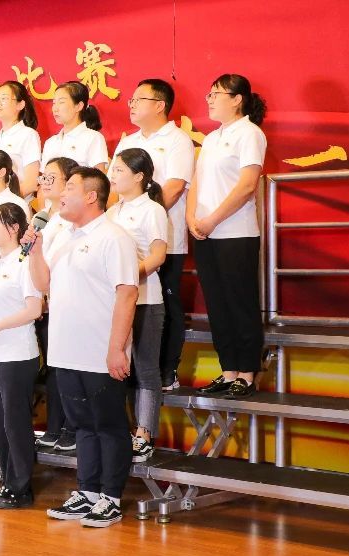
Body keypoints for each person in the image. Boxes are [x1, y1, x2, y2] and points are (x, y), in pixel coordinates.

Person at [28, 168, 138, 528]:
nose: (60, 194)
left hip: (99, 350)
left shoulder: (113, 237)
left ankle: (111, 497)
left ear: (91, 196)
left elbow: (127, 293)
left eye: (69, 187)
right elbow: (43, 284)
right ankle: (88, 491)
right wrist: (36, 249)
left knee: (109, 425)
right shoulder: (63, 236)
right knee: (82, 426)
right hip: (65, 349)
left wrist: (117, 347)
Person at [187, 74, 268, 398]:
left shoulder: (249, 133)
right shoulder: (211, 139)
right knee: (217, 305)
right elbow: (196, 182)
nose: (209, 99)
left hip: (235, 233)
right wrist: (192, 218)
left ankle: (246, 373)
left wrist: (213, 220)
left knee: (239, 303)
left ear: (237, 99)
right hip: (205, 233)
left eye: (216, 94)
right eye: (209, 94)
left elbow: (247, 186)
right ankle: (228, 369)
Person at [111, 79, 195, 391]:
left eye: (138, 99)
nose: (131, 104)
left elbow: (174, 186)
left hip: (163, 239)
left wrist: (147, 214)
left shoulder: (177, 140)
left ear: (159, 105)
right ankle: (132, 367)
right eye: (131, 100)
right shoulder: (127, 142)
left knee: (166, 305)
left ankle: (166, 369)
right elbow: (113, 187)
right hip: (122, 241)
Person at [0, 202, 43, 509]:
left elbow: (33, 309)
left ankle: (21, 487)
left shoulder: (24, 262)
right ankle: (7, 479)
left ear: (14, 228)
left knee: (15, 421)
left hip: (17, 352)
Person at [108, 148, 169, 462]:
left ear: (139, 176)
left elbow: (157, 256)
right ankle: (120, 430)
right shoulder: (111, 211)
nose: (113, 175)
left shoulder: (152, 210)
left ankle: (144, 433)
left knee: (145, 368)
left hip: (145, 299)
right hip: (115, 302)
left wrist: (128, 277)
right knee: (118, 368)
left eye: (119, 170)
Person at [33, 157, 81, 452]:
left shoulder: (71, 219)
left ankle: (72, 427)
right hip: (43, 302)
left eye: (52, 177)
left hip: (64, 303)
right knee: (52, 367)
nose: (45, 182)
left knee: (67, 367)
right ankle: (54, 425)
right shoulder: (41, 216)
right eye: (43, 177)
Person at [0, 81, 42, 199]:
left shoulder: (28, 135)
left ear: (20, 105)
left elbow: (31, 183)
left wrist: (6, 201)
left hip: (16, 204)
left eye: (4, 99)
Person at [41, 82, 109, 170]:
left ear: (79, 106)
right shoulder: (50, 142)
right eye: (54, 103)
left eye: (61, 102)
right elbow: (45, 175)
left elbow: (98, 176)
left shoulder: (93, 138)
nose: (55, 109)